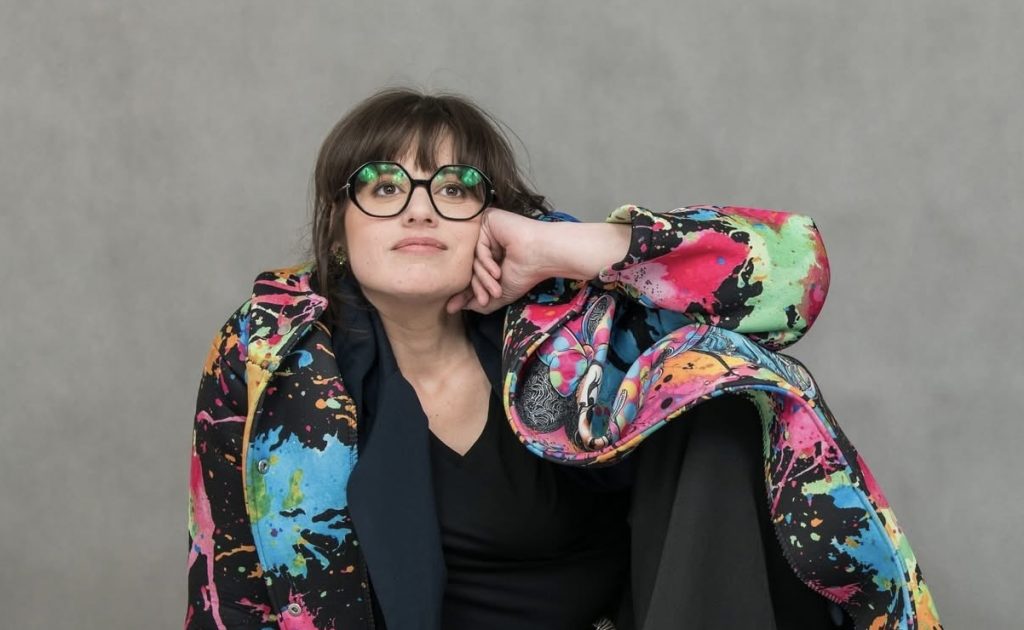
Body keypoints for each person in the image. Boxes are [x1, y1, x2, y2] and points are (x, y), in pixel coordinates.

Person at [185, 89, 941, 630]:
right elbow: (229, 581)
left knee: (717, 394)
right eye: (383, 186)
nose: (419, 208)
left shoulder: (567, 329)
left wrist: (567, 246)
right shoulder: (273, 360)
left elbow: (793, 276)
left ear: (492, 218)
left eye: (455, 188)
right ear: (337, 221)